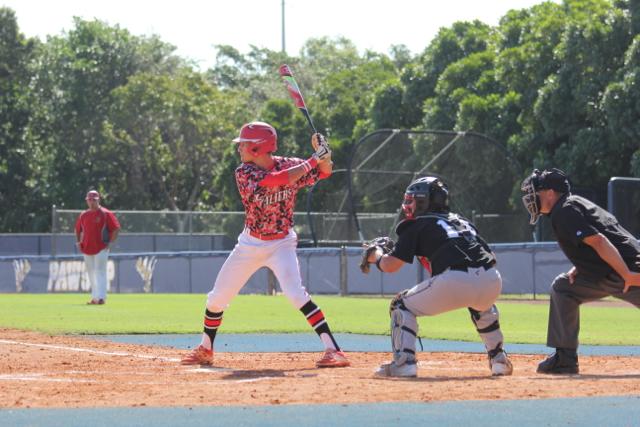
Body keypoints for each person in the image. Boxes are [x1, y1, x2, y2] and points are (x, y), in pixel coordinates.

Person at [181, 121, 350, 368]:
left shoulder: (290, 164)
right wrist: (315, 159)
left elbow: (324, 172)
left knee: (295, 294)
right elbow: (276, 180)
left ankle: (333, 350)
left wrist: (326, 155)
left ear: (259, 147)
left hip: (281, 243)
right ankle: (206, 349)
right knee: (216, 299)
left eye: (244, 145)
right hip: (250, 244)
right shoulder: (244, 172)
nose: (240, 149)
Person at [363, 176, 513, 378]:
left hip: (456, 279)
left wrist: (377, 256)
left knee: (401, 304)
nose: (408, 204)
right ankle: (499, 360)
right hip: (492, 279)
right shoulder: (462, 221)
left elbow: (390, 266)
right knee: (482, 306)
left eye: (412, 199)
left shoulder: (416, 224)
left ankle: (404, 363)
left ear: (425, 201)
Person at [521, 168, 640, 374]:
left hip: (623, 270)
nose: (532, 197)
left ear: (550, 193)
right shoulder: (575, 203)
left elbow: (600, 241)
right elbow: (599, 238)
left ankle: (565, 359)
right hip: (610, 272)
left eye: (536, 192)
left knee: (563, 288)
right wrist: (580, 267)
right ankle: (565, 359)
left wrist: (627, 275)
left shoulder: (564, 210)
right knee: (564, 287)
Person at [75, 190, 121, 305]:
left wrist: (110, 243)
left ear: (98, 200)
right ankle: (95, 297)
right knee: (91, 272)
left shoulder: (106, 213)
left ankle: (101, 297)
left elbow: (116, 228)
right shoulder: (83, 214)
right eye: (89, 200)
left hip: (101, 247)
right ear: (87, 201)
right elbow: (77, 229)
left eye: (94, 200)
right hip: (87, 247)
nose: (91, 202)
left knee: (100, 271)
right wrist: (78, 242)